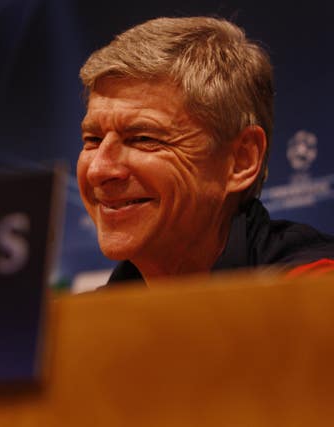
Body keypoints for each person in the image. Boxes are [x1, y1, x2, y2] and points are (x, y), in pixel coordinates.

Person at [76, 16, 334, 286]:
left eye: (142, 138)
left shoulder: (316, 293)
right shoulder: (76, 321)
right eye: (92, 139)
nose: (98, 170)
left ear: (241, 160)